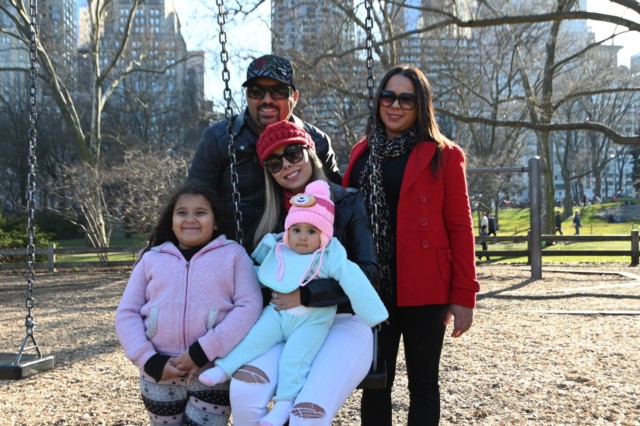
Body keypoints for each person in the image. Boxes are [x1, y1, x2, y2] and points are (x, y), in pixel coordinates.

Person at [342, 65, 480, 425]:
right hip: (372, 288)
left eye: (407, 98)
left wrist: (464, 295)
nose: (396, 105)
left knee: (423, 383)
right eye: (389, 96)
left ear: (421, 105)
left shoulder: (444, 154)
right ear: (378, 101)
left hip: (426, 288)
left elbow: (460, 227)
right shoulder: (362, 153)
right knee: (374, 383)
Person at [227, 120, 379, 425]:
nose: (286, 165)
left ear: (310, 152)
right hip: (285, 323)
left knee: (306, 413)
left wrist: (306, 295)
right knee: (244, 389)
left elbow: (368, 271)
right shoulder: (270, 217)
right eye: (274, 161)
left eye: (294, 153)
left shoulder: (348, 202)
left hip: (343, 321)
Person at [199, 180, 388, 426]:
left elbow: (358, 279)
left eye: (311, 232)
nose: (302, 238)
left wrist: (373, 315)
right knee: (251, 352)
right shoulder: (280, 247)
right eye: (296, 230)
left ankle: (284, 403)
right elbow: (256, 272)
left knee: (297, 370)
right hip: (278, 315)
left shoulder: (330, 253)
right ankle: (224, 368)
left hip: (318, 320)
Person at [114, 181, 263, 426]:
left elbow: (249, 306)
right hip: (160, 370)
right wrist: (149, 360)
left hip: (212, 369)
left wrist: (203, 350)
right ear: (171, 223)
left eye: (200, 213)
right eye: (182, 213)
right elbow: (126, 313)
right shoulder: (151, 259)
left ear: (215, 222)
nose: (190, 219)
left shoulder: (233, 255)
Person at [188, 54, 341, 250]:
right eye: (257, 91)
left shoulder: (317, 141)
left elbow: (338, 201)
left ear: (294, 97)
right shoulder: (219, 139)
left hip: (302, 258)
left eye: (278, 91)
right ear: (247, 96)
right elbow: (193, 199)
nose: (267, 100)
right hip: (235, 256)